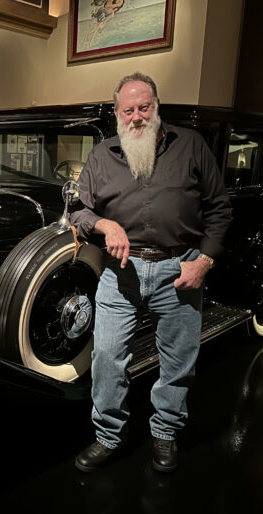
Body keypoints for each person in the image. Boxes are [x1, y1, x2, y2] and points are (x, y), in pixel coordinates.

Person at [71, 72, 232, 473]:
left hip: (179, 267)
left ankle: (165, 431)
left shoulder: (191, 145)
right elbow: (77, 211)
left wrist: (204, 261)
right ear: (117, 113)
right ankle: (108, 435)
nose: (137, 117)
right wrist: (104, 225)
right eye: (129, 110)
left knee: (178, 359)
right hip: (120, 272)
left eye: (144, 108)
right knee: (107, 356)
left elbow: (220, 208)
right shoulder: (101, 155)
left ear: (156, 107)